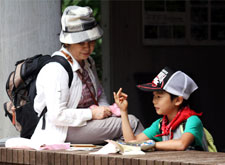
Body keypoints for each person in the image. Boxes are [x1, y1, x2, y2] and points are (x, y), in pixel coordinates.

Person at [31, 5, 144, 144]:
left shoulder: (88, 62)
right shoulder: (56, 69)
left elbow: (99, 94)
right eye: (81, 42)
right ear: (68, 42)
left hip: (86, 124)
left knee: (124, 124)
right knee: (131, 123)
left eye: (91, 41)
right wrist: (92, 114)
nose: (87, 47)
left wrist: (106, 111)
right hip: (62, 130)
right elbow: (56, 115)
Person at [114, 66, 208, 151]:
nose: (154, 101)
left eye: (159, 97)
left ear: (178, 100)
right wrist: (123, 111)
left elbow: (181, 144)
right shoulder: (160, 125)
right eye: (154, 96)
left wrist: (151, 144)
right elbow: (132, 141)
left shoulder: (192, 121)